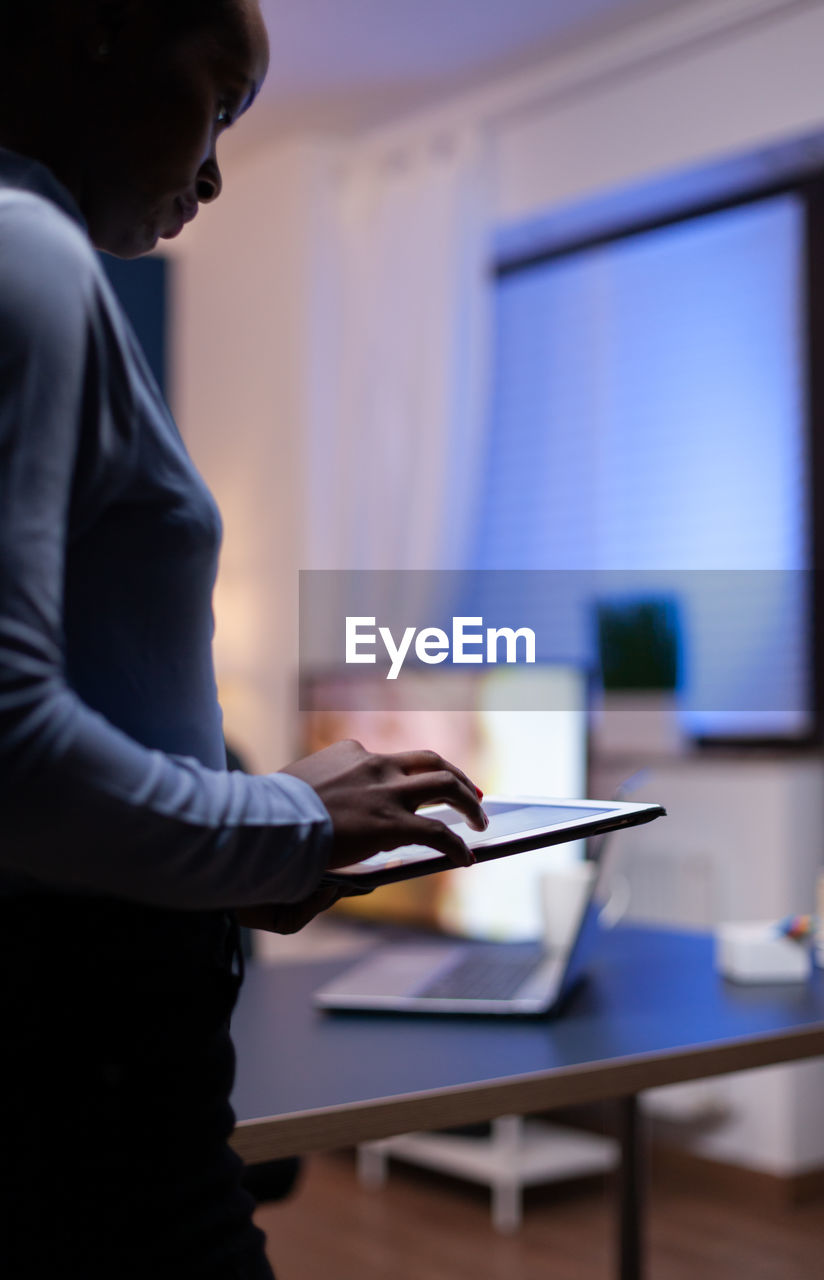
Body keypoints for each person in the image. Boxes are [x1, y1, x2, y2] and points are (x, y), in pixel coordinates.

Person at [0, 2, 487, 1276]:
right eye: (221, 98)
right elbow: (8, 746)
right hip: (90, 1062)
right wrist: (279, 819)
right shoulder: (27, 257)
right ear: (93, 31)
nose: (216, 168)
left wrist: (234, 858)